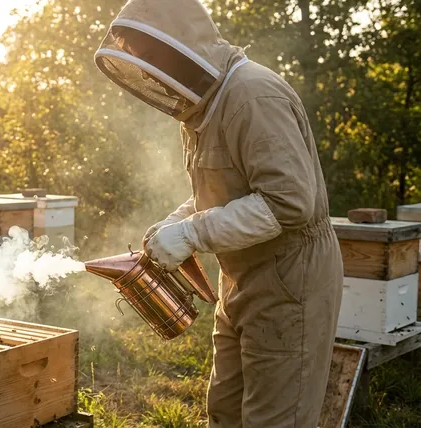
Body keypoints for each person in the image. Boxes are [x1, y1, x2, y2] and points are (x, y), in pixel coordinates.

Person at [94, 0, 344, 427]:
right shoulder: (200, 108)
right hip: (240, 277)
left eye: (151, 58)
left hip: (290, 277)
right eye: (140, 62)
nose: (149, 72)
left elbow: (288, 203)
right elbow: (222, 194)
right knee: (225, 409)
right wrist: (177, 221)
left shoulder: (252, 95)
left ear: (179, 44)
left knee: (274, 418)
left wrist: (192, 234)